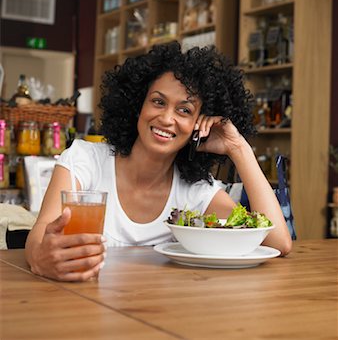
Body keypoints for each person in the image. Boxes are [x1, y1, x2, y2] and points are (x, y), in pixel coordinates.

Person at [25, 41, 292, 281]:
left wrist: (238, 148)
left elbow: (278, 242)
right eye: (157, 102)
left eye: (184, 110)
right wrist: (40, 259)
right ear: (137, 105)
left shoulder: (195, 192)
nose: (166, 118)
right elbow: (39, 235)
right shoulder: (85, 160)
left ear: (200, 124)